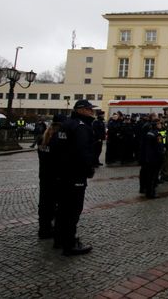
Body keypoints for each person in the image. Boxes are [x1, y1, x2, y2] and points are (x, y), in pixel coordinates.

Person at [54, 99, 97, 256]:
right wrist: (88, 169)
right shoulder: (81, 127)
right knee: (73, 210)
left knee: (62, 208)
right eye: (89, 109)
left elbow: (58, 148)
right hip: (75, 173)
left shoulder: (67, 124)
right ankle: (70, 243)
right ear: (82, 110)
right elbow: (82, 151)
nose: (92, 112)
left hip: (63, 172)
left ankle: (59, 239)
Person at [37, 114, 65, 239]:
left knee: (44, 203)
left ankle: (43, 228)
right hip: (56, 177)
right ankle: (51, 229)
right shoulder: (58, 141)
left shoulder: (43, 139)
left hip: (44, 175)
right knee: (55, 204)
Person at [139, 118, 165, 198]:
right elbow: (159, 147)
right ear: (156, 125)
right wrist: (162, 156)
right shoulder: (157, 134)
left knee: (148, 175)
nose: (161, 125)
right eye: (160, 123)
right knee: (153, 176)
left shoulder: (149, 133)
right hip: (155, 159)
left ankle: (146, 190)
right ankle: (151, 193)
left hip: (148, 158)